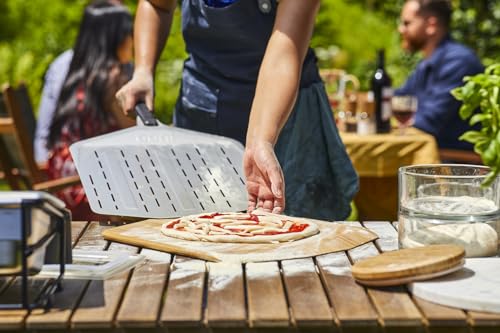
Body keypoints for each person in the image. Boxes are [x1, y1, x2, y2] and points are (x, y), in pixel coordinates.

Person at [116, 0, 358, 220]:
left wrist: (260, 142)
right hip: (202, 109)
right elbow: (157, 5)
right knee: (195, 231)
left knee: (293, 239)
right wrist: (143, 71)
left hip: (287, 119)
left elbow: (284, 52)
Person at [47, 0, 135, 220]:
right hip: (89, 187)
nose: (134, 40)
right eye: (129, 33)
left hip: (64, 180)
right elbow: (136, 132)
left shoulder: (77, 72)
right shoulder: (112, 77)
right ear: (113, 38)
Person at [396, 0, 483, 150]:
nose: (400, 29)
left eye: (407, 23)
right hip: (427, 153)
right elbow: (399, 99)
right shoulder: (427, 63)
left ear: (431, 25)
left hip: (453, 162)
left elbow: (429, 122)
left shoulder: (458, 61)